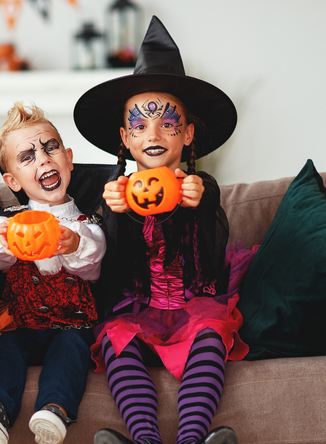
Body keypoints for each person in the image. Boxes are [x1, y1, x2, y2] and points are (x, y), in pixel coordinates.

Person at [72, 17, 248, 444]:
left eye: (168, 123)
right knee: (115, 341)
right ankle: (145, 439)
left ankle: (191, 439)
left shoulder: (199, 187)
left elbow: (212, 253)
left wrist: (202, 203)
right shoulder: (115, 194)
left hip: (194, 303)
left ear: (187, 134)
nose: (154, 133)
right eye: (140, 124)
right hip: (139, 307)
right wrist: (112, 216)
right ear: (125, 139)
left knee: (211, 335)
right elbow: (107, 273)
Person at [0, 102, 107, 444]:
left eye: (51, 149)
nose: (43, 159)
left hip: (72, 323)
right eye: (28, 156)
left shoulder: (87, 225)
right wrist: (3, 236)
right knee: (6, 348)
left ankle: (53, 412)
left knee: (71, 349)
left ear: (68, 159)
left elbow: (92, 264)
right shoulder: (8, 222)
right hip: (21, 323)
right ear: (12, 181)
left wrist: (72, 246)